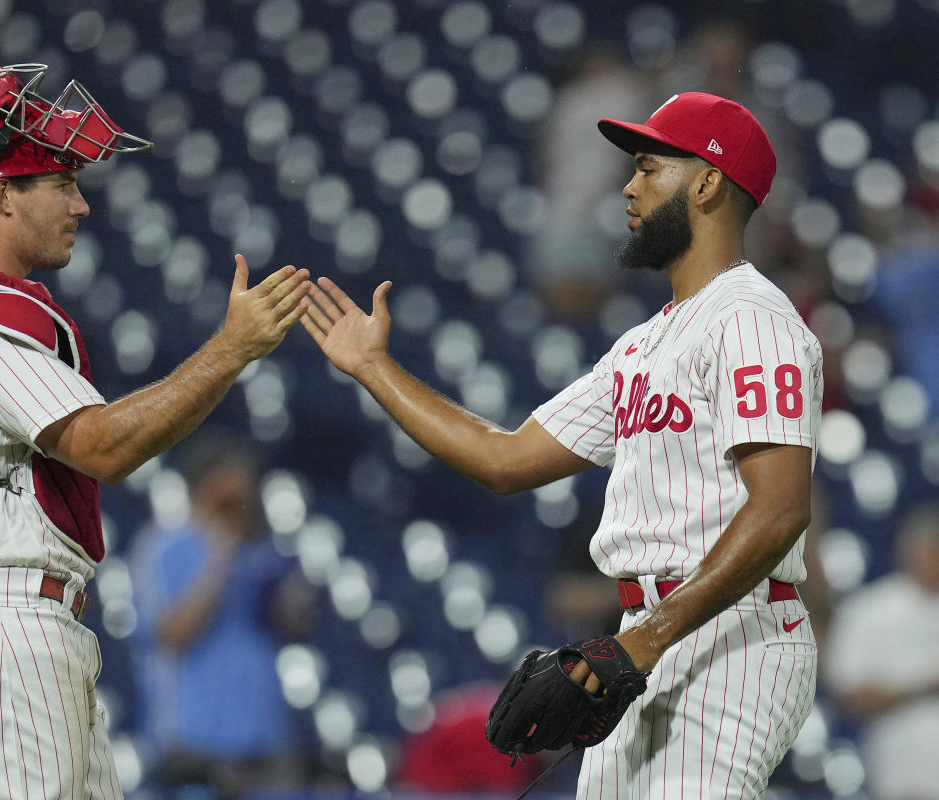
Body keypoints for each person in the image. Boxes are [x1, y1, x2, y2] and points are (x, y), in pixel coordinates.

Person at [300, 92, 823, 799]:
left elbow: (782, 510)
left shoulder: (756, 323)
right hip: (645, 638)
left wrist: (642, 640)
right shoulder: (642, 345)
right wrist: (374, 369)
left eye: (647, 167)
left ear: (706, 182)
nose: (630, 187)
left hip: (731, 635)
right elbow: (506, 459)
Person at [0, 64, 310, 799]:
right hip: (5, 629)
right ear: (1, 192)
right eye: (61, 185)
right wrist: (233, 348)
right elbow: (102, 446)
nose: (81, 204)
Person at [129, 430, 313, 799]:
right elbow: (173, 633)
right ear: (205, 485)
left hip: (265, 736)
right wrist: (220, 554)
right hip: (195, 739)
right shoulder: (163, 547)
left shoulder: (261, 551)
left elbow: (295, 627)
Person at [824, 503, 939, 800]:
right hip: (905, 775)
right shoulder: (869, 610)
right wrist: (924, 684)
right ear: (911, 550)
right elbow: (849, 693)